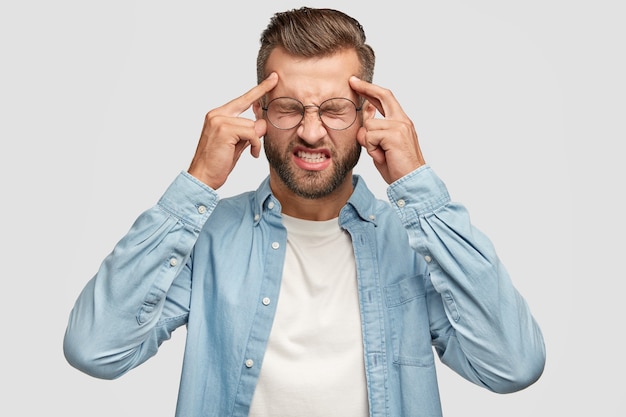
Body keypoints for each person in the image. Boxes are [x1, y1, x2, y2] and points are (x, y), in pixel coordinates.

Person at [64, 6, 545, 417]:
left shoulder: (413, 241)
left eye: (335, 108)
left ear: (367, 117)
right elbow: (95, 350)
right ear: (259, 116)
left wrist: (416, 183)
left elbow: (512, 366)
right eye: (289, 107)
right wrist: (198, 183)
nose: (312, 133)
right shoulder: (205, 238)